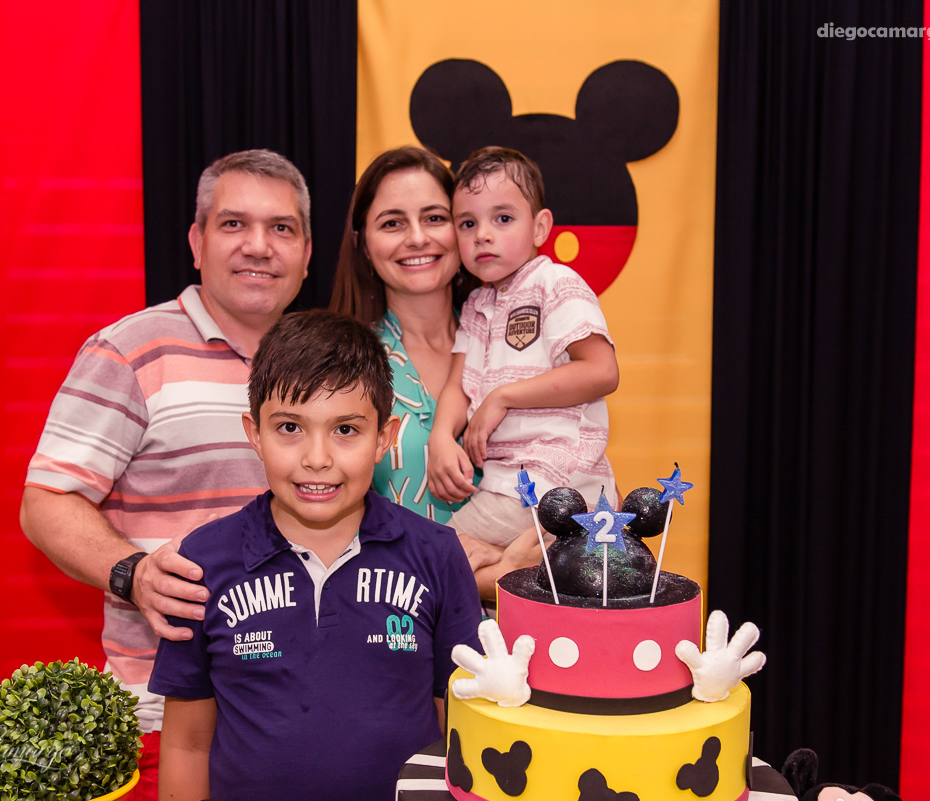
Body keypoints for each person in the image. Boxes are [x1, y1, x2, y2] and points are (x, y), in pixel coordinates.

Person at [19, 149, 311, 801]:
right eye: (234, 224)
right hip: (167, 710)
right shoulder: (129, 350)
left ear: (307, 253)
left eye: (281, 228)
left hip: (304, 707)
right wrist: (133, 573)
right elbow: (47, 500)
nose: (259, 246)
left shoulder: (325, 361)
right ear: (197, 242)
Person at [149, 310, 482, 801]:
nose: (317, 458)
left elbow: (459, 726)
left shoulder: (436, 554)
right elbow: (187, 744)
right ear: (254, 434)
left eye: (345, 430)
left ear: (384, 439)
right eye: (290, 427)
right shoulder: (200, 564)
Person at [428, 146, 621, 599]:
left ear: (540, 227)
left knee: (430, 556)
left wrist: (503, 396)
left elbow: (602, 371)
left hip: (551, 480)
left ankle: (519, 563)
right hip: (508, 485)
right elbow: (458, 384)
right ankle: (515, 565)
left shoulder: (555, 283)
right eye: (467, 223)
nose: (483, 235)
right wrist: (440, 437)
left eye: (503, 218)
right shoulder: (477, 305)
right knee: (476, 573)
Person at [330, 146, 480, 523]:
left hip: (527, 558)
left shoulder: (512, 345)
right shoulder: (339, 365)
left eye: (435, 218)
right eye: (392, 223)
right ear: (364, 244)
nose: (417, 238)